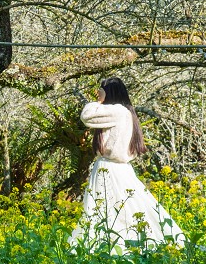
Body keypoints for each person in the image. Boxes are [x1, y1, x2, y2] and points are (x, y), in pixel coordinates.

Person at [69, 77, 185, 254]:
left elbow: (87, 116)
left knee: (106, 210)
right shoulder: (125, 112)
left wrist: (98, 101)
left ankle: (110, 250)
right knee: (128, 207)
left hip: (110, 169)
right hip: (120, 169)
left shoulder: (117, 111)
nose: (98, 92)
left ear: (110, 91)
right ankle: (128, 247)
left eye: (101, 89)